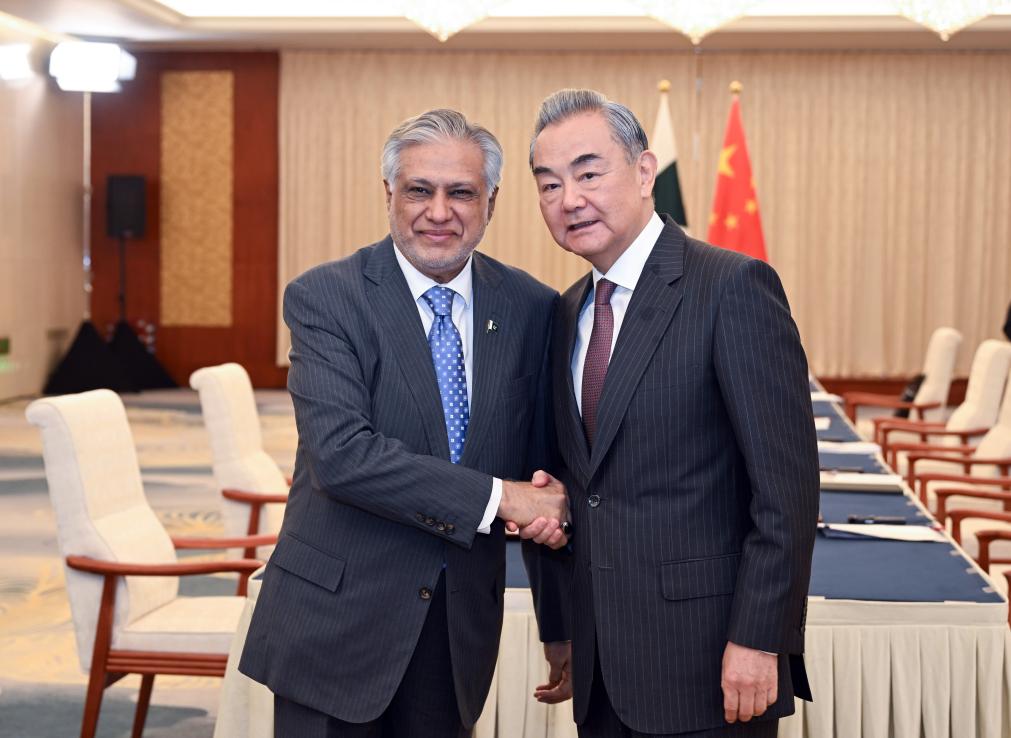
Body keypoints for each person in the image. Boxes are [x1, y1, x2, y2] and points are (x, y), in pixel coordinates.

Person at [240, 108, 572, 737]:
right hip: (335, 624)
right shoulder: (327, 297)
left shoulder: (532, 308)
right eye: (420, 189)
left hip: (457, 631)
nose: (439, 212)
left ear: (492, 202)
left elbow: (542, 479)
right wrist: (501, 498)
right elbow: (343, 457)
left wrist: (560, 627)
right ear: (388, 193)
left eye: (461, 193)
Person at [526, 89, 819, 737]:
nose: (569, 199)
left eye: (588, 173)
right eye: (548, 184)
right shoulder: (565, 312)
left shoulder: (732, 287)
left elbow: (786, 492)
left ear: (643, 171)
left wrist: (759, 638)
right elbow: (582, 486)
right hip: (602, 667)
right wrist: (564, 626)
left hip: (710, 663)